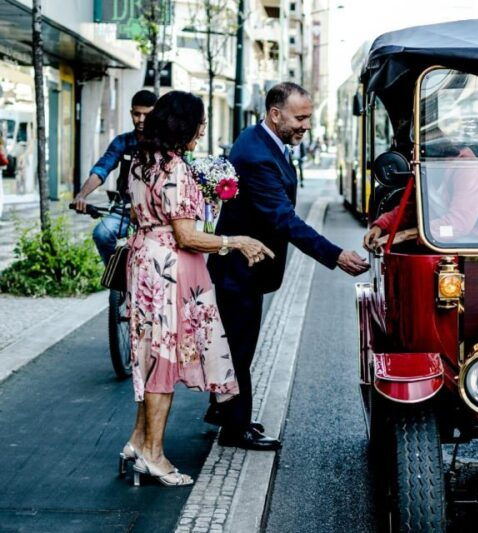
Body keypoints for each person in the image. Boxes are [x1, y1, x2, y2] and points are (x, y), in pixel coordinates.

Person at [206, 82, 369, 450]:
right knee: (239, 348)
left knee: (237, 343)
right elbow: (283, 218)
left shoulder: (261, 140)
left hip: (244, 268)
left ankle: (223, 412)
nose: (306, 125)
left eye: (308, 117)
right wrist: (335, 255)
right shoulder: (256, 156)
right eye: (300, 118)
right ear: (275, 114)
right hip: (240, 269)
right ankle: (234, 428)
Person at [123, 91, 273, 486]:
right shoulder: (175, 168)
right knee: (162, 360)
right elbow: (187, 236)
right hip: (168, 270)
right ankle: (153, 455)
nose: (202, 130)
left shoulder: (140, 161)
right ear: (182, 125)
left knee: (150, 357)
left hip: (144, 261)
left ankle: (137, 442)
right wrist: (234, 241)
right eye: (199, 123)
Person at [74, 90, 157, 264]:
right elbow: (101, 169)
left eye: (147, 115)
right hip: (125, 210)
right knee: (102, 233)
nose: (141, 120)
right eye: (137, 114)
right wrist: (82, 195)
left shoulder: (164, 144)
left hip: (156, 214)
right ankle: (115, 272)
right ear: (131, 113)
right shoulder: (122, 142)